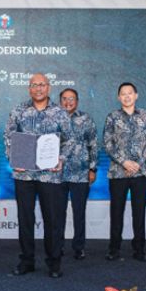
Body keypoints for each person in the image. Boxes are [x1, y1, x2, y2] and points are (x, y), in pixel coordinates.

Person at [5, 73, 72, 279]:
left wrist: (60, 159)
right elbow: (8, 137)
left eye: (42, 85)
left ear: (48, 87)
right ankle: (27, 261)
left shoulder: (60, 113)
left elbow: (69, 141)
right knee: (25, 219)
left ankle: (54, 263)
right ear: (29, 89)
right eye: (34, 85)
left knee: (53, 220)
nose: (39, 88)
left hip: (50, 176)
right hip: (24, 175)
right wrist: (14, 159)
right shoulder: (18, 110)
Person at [103, 82, 146, 262]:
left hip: (140, 174)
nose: (126, 96)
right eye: (123, 94)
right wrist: (124, 161)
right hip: (118, 173)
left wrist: (137, 163)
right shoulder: (112, 117)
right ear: (119, 97)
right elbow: (108, 143)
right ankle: (114, 249)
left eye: (130, 93)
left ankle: (139, 249)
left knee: (139, 213)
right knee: (116, 212)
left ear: (136, 95)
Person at [58, 88, 98, 260]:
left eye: (71, 98)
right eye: (65, 99)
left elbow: (93, 144)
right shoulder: (54, 118)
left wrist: (92, 168)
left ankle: (79, 247)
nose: (68, 102)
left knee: (79, 212)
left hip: (81, 173)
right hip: (57, 174)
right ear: (60, 101)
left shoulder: (86, 119)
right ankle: (57, 246)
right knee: (57, 213)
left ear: (77, 101)